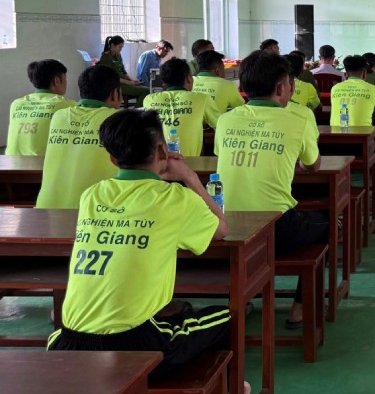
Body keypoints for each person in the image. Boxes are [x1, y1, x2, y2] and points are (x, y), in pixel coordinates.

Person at [46, 110, 243, 392]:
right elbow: (222, 229)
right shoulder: (174, 198)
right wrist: (188, 176)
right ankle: (236, 387)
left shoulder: (92, 194)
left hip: (67, 342)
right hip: (135, 345)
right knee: (225, 318)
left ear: (113, 160)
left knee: (173, 313)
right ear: (163, 150)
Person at [215, 50, 323, 329]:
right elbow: (313, 166)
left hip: (226, 223)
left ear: (241, 88)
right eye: (289, 84)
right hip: (277, 228)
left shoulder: (225, 121)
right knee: (328, 220)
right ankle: (298, 309)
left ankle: (243, 296)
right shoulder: (299, 119)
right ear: (280, 88)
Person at [36, 65, 122, 209]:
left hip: (46, 209)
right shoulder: (118, 120)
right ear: (115, 94)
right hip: (92, 213)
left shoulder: (60, 116)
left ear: (81, 93)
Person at [142, 59, 214, 156]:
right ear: (189, 78)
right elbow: (219, 123)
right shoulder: (202, 98)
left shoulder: (149, 100)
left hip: (158, 165)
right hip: (189, 163)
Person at [5, 59, 75, 156]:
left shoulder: (16, 104)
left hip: (11, 165)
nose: (66, 83)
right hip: (42, 168)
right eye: (65, 79)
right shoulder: (68, 106)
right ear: (57, 80)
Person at [331, 55, 375, 157]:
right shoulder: (374, 89)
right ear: (364, 72)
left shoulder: (335, 88)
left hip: (335, 144)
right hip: (362, 145)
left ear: (345, 74)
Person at [192, 51, 245, 117]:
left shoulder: (189, 82)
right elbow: (241, 108)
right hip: (216, 126)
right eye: (223, 69)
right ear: (217, 71)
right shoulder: (227, 85)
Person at [98, 35, 148, 105]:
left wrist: (132, 80)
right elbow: (110, 77)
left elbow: (123, 71)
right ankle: (135, 112)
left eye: (122, 47)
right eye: (120, 47)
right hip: (115, 85)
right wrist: (129, 83)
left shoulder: (118, 55)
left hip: (123, 82)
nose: (121, 49)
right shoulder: (106, 57)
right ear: (112, 45)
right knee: (145, 91)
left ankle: (137, 109)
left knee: (147, 89)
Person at [282, 55, 320, 143]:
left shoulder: (273, 88)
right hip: (302, 131)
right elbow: (317, 106)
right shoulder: (308, 88)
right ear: (302, 73)